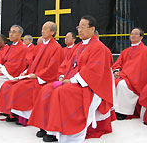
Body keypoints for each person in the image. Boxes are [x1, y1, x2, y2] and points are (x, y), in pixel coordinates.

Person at [28, 15, 114, 143]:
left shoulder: (100, 48)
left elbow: (94, 70)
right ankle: (46, 127)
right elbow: (66, 64)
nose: (79, 30)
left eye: (83, 27)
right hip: (71, 81)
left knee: (60, 92)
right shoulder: (78, 47)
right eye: (78, 27)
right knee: (46, 89)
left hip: (88, 86)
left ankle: (56, 130)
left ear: (92, 29)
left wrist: (72, 80)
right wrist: (62, 76)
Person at [0, 22, 64, 125]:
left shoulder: (56, 48)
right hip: (32, 75)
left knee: (19, 88)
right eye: (42, 28)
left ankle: (22, 117)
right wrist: (25, 72)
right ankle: (11, 112)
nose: (42, 31)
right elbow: (31, 63)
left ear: (52, 32)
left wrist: (37, 75)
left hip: (43, 79)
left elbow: (53, 67)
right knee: (8, 85)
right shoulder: (40, 46)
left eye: (45, 29)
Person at [112, 27, 147, 119]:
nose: (133, 36)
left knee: (122, 84)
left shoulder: (145, 51)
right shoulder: (125, 51)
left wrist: (122, 74)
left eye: (136, 34)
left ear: (141, 37)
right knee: (112, 81)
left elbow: (140, 70)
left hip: (137, 80)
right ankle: (113, 109)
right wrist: (116, 71)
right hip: (126, 76)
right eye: (131, 34)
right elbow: (117, 64)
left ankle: (122, 112)